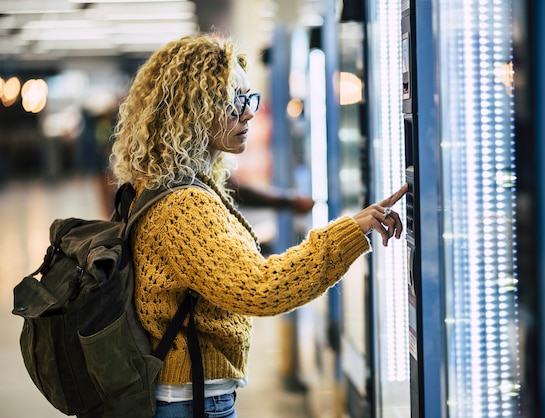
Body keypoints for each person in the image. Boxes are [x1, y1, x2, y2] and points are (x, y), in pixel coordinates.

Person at [110, 33, 408, 418]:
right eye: (234, 101)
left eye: (248, 99)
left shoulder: (169, 185)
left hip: (187, 394)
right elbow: (260, 288)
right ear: (195, 109)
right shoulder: (182, 206)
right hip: (192, 401)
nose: (248, 112)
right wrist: (349, 233)